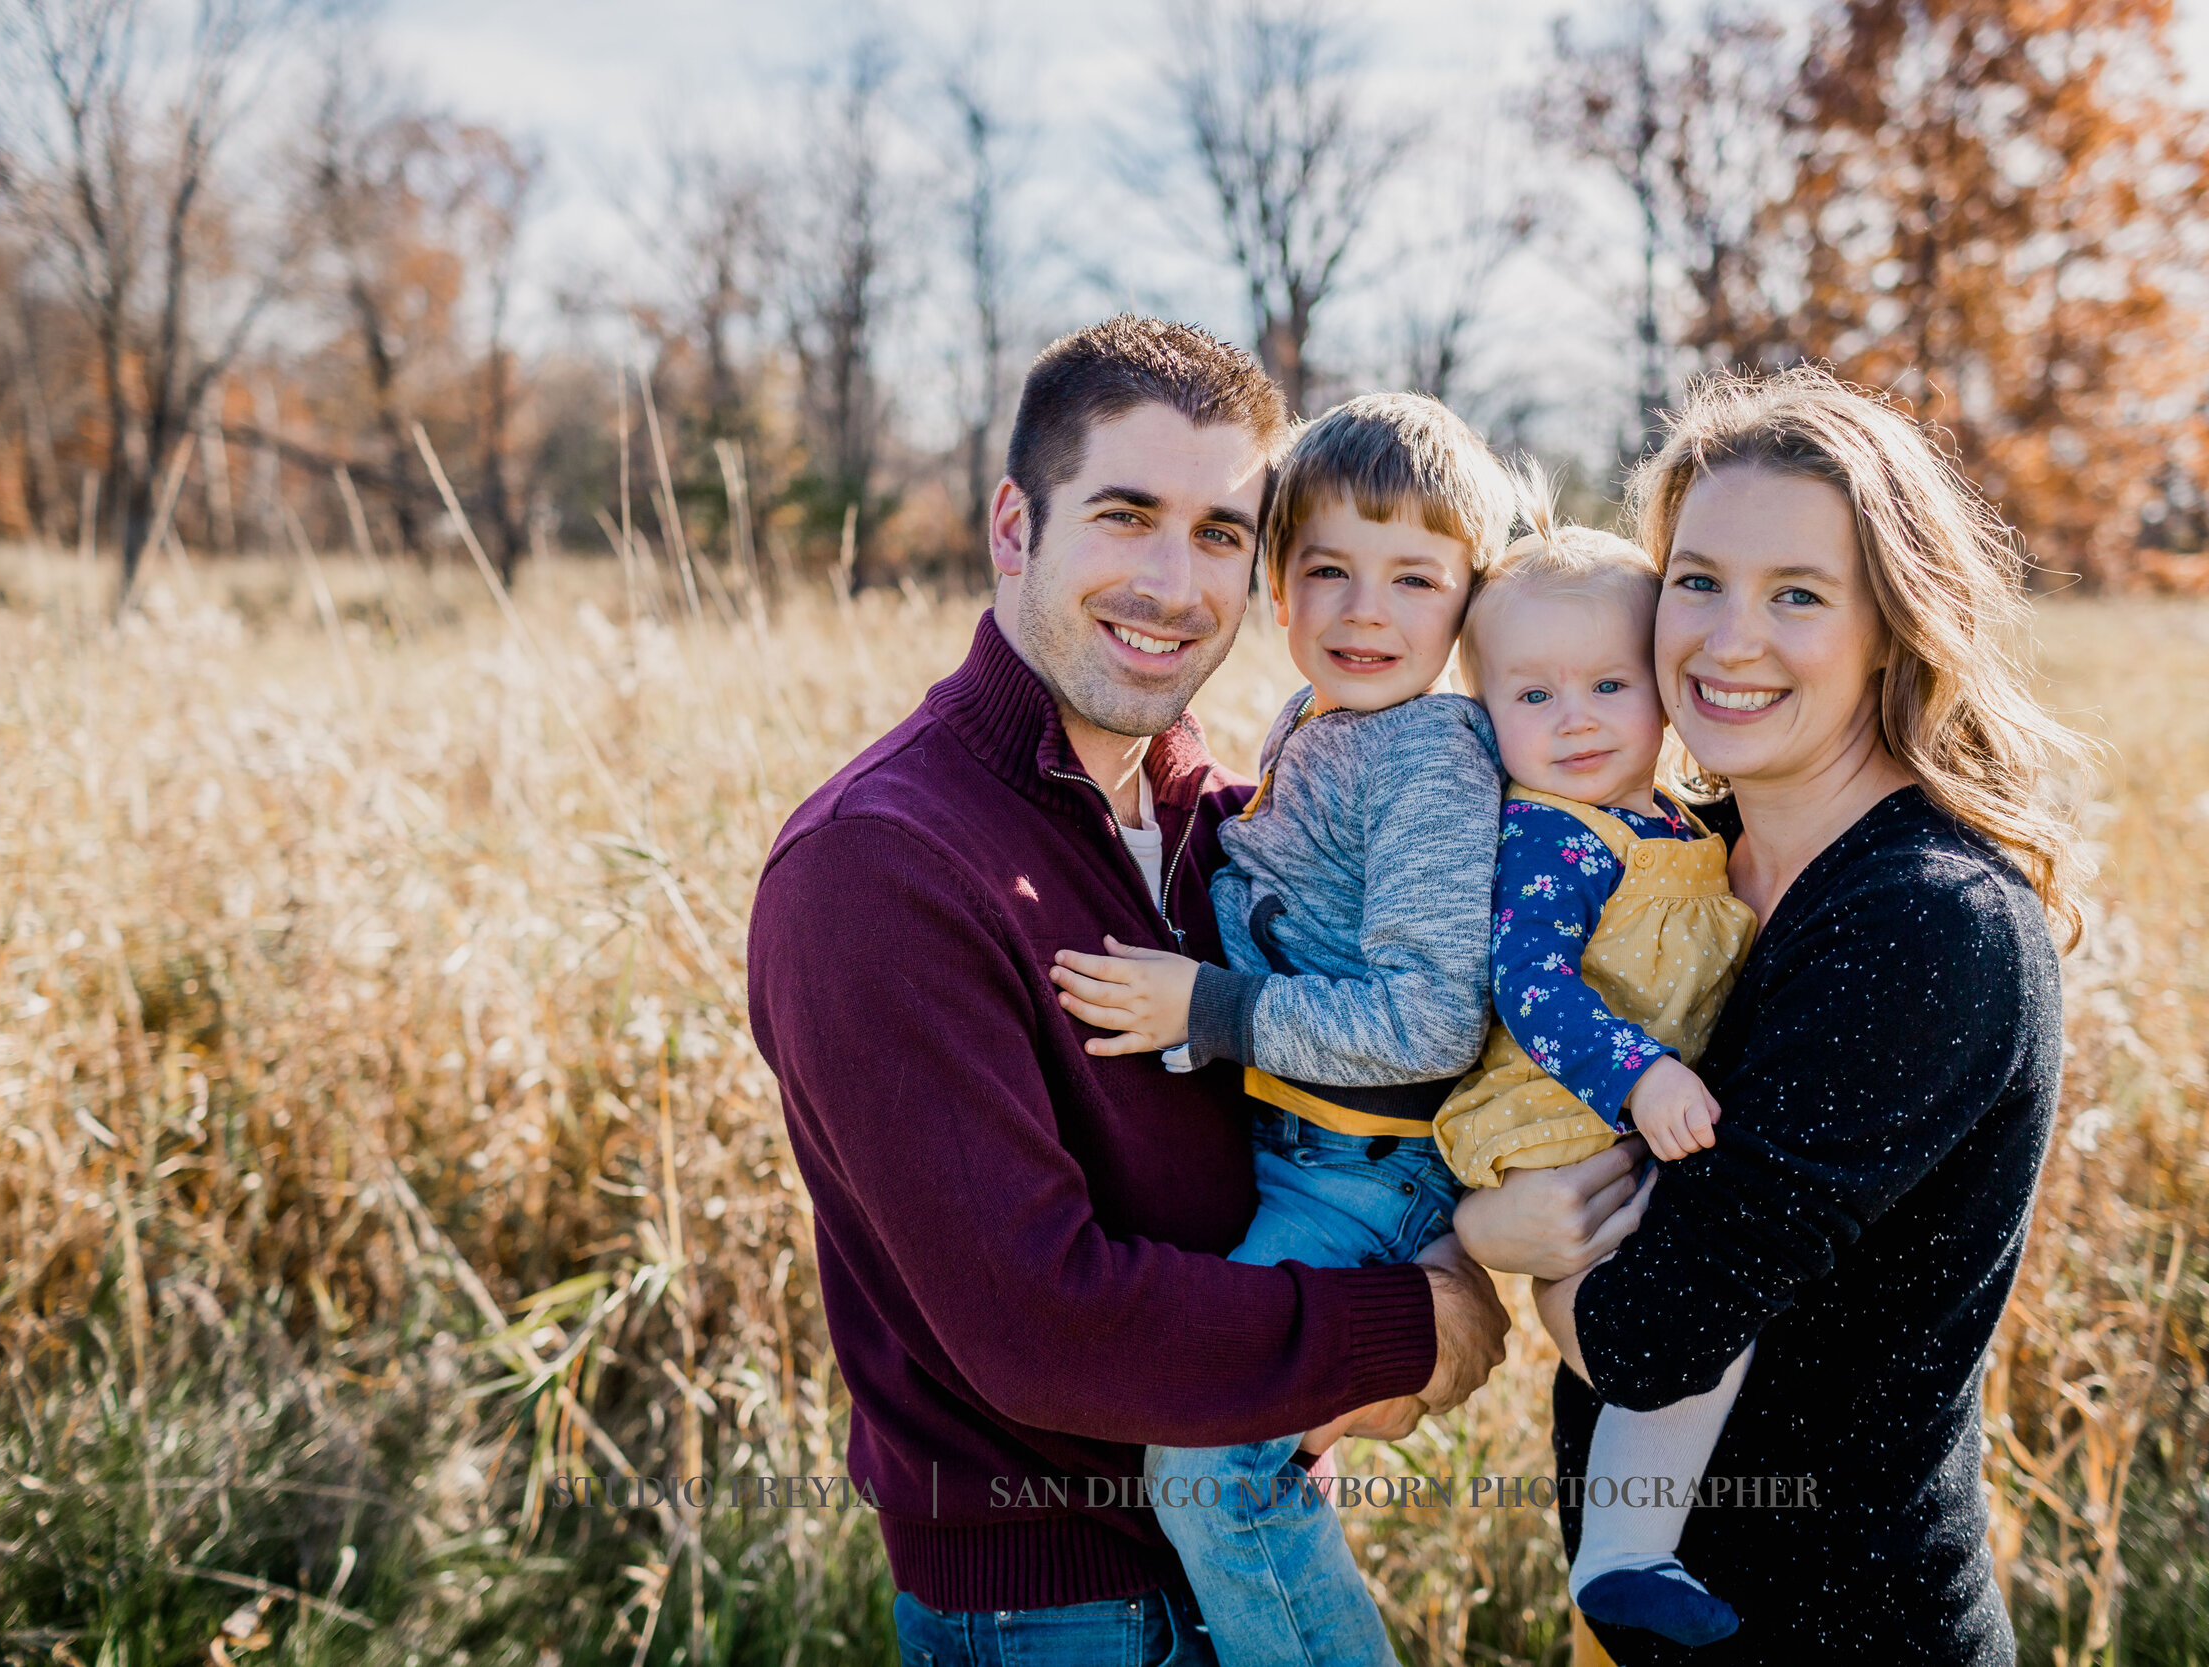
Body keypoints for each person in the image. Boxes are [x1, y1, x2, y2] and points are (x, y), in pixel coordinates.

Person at [745, 316, 1521, 1667]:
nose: (1175, 581)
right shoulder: (882, 865)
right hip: (1059, 1611)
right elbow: (1042, 1322)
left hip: (1251, 1543)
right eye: (1127, 514)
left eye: (1222, 531)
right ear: (1013, 526)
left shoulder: (1223, 815)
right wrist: (1413, 1326)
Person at [1450, 365, 2085, 1662]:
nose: (1727, 639)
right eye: (1698, 579)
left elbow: (1650, 1334)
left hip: (1841, 1630)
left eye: (1796, 593)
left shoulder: (1924, 923)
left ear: (1894, 622)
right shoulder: (1672, 853)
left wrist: (1498, 1236)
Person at [1043, 391, 1520, 1666]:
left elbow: (1426, 1017)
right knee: (1239, 1455)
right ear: (1277, 588)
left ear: (1470, 598)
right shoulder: (1321, 721)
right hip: (1301, 1152)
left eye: (1415, 576)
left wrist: (1210, 1009)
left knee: (1208, 1466)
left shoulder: (1427, 757)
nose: (1367, 611)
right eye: (1328, 570)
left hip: (1360, 1167)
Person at [1429, 515, 1759, 1647]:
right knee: (1637, 1307)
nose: (1573, 718)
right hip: (1559, 1106)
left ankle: (1626, 1552)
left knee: (1689, 1311)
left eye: (1609, 683)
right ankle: (1625, 1549)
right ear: (1485, 706)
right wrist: (1642, 1072)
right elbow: (1530, 986)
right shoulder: (1551, 837)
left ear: (1665, 689)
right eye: (1531, 695)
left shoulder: (1669, 818)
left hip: (1624, 1109)